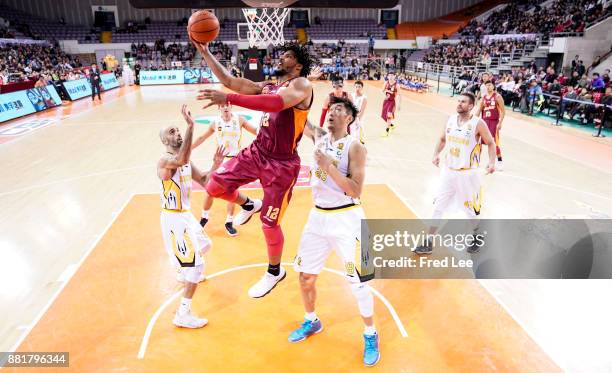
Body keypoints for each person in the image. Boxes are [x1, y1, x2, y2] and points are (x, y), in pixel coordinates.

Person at [192, 40, 314, 298]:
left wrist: (229, 99)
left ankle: (274, 271)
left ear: (299, 65)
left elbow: (276, 104)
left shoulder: (302, 85)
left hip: (282, 164)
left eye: (288, 56)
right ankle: (249, 204)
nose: (281, 58)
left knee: (269, 225)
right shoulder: (269, 85)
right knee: (214, 186)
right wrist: (206, 53)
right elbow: (230, 80)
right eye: (281, 55)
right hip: (258, 151)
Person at [291, 97, 379, 366]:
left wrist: (328, 165)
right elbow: (297, 117)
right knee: (305, 277)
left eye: (339, 110)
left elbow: (355, 190)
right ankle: (311, 321)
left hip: (348, 218)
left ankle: (370, 333)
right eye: (331, 109)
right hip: (317, 217)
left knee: (360, 284)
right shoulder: (319, 136)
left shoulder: (355, 147)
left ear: (349, 118)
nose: (332, 113)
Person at [158, 105, 225, 328]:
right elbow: (182, 158)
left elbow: (205, 181)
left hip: (185, 215)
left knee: (206, 244)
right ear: (164, 141)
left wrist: (215, 165)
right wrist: (190, 126)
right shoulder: (165, 161)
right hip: (174, 218)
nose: (176, 133)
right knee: (197, 267)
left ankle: (182, 269)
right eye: (172, 132)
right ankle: (182, 314)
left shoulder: (185, 161)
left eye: (178, 131)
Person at [414, 93, 496, 255]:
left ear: (471, 106)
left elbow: (491, 142)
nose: (459, 104)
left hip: (467, 174)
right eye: (458, 101)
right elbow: (443, 139)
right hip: (448, 171)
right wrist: (436, 154)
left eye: (463, 102)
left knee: (470, 210)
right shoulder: (450, 120)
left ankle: (477, 236)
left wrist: (492, 162)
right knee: (439, 206)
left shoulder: (477, 123)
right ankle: (428, 242)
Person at [191, 103, 258, 236]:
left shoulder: (240, 120)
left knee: (232, 191)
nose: (225, 107)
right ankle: (204, 218)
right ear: (219, 108)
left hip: (235, 161)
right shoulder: (215, 123)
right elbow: (201, 138)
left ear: (230, 106)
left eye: (227, 105)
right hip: (219, 161)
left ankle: (229, 222)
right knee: (210, 190)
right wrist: (188, 149)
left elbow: (257, 131)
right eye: (222, 105)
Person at [476, 80, 505, 170]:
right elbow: (478, 111)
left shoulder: (498, 97)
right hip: (484, 122)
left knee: (493, 143)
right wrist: (472, 121)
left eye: (489, 85)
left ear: (493, 86)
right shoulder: (483, 98)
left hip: (494, 122)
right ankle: (476, 161)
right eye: (486, 85)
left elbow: (503, 111)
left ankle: (499, 162)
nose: (488, 87)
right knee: (479, 142)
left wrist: (500, 123)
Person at [381, 72, 400, 137]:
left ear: (395, 76)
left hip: (392, 102)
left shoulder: (397, 85)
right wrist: (385, 94)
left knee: (389, 116)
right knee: (384, 116)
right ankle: (391, 125)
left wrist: (399, 104)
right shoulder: (386, 83)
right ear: (388, 76)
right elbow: (382, 90)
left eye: (392, 75)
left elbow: (400, 95)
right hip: (386, 101)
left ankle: (387, 131)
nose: (391, 77)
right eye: (389, 75)